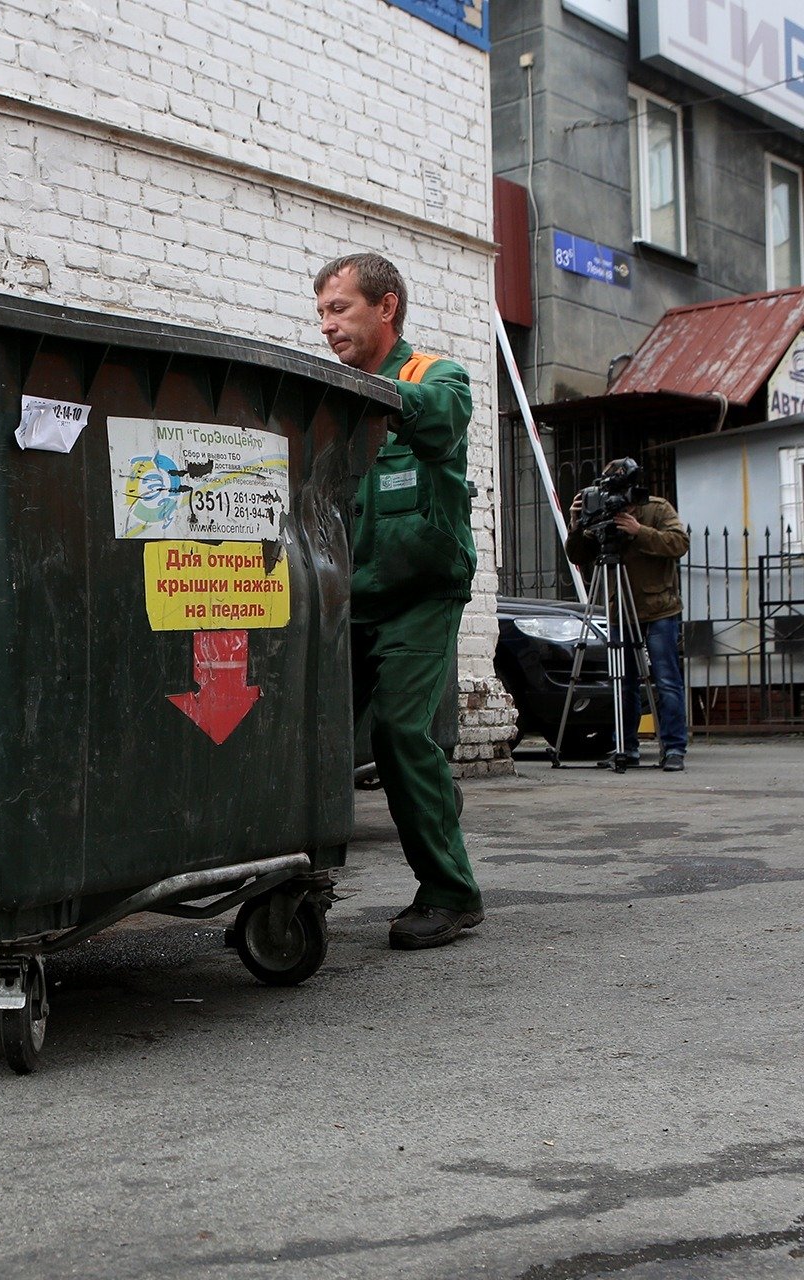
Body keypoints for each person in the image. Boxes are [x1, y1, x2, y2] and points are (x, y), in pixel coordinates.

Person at [313, 252, 485, 950]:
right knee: (307, 737)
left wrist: (370, 396)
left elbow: (440, 421)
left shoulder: (433, 375)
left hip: (420, 593)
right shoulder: (327, 393)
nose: (327, 325)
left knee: (400, 734)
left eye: (340, 309)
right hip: (346, 597)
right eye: (322, 312)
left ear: (385, 308)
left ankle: (452, 891)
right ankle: (292, 882)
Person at [564, 459, 690, 771]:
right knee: (623, 682)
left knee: (666, 679)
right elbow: (578, 555)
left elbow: (679, 543)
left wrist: (639, 531)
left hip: (660, 608)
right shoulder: (603, 513)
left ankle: (674, 749)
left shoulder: (657, 509)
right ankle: (626, 747)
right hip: (621, 607)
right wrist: (576, 523)